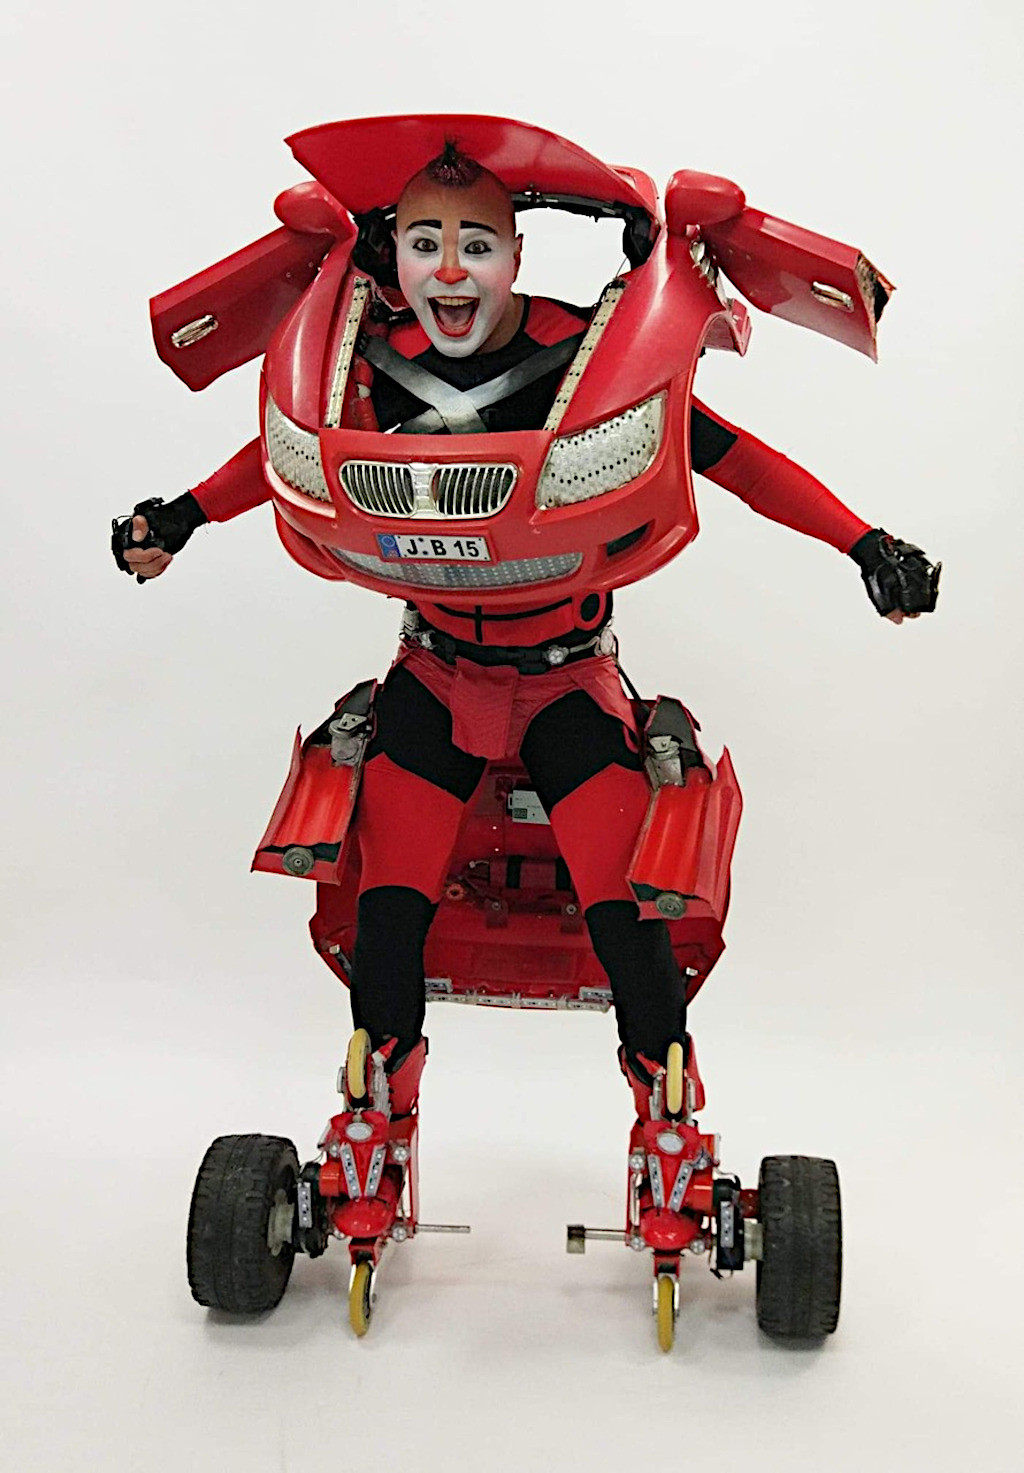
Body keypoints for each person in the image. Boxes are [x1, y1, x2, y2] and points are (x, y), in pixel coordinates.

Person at [115, 144, 938, 1121]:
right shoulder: (377, 362)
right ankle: (376, 1112)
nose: (450, 272)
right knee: (386, 914)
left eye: (475, 246)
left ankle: (667, 1115)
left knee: (630, 918)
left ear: (513, 256)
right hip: (433, 675)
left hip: (565, 685)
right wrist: (180, 517)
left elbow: (733, 460)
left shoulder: (587, 357)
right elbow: (285, 449)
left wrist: (865, 543)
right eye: (425, 245)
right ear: (395, 256)